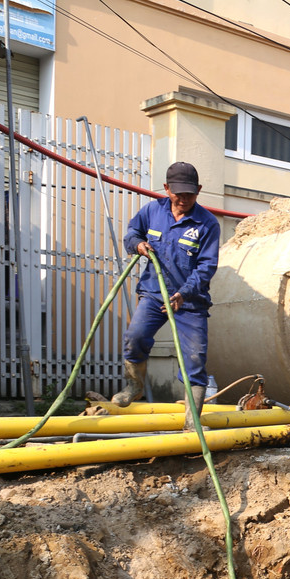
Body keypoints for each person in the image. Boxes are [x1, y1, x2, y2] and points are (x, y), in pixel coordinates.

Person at [114, 162, 221, 430]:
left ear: (198, 191)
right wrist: (137, 244)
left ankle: (192, 421)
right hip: (154, 293)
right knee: (135, 337)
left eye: (190, 194)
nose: (183, 200)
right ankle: (134, 386)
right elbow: (131, 233)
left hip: (190, 301)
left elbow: (207, 266)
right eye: (178, 194)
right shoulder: (152, 211)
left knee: (195, 357)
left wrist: (184, 294)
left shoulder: (207, 224)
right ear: (166, 189)